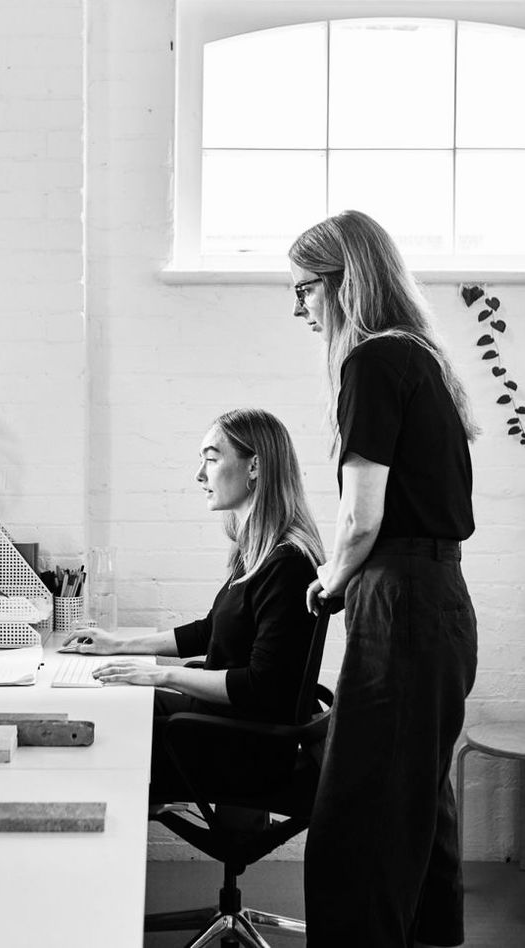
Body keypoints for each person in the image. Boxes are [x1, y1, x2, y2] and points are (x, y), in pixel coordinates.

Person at [288, 209, 478, 948]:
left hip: (398, 599)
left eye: (305, 289)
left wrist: (331, 577)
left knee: (359, 818)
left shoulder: (368, 361)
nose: (299, 307)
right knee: (417, 804)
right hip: (439, 599)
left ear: (343, 284)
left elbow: (360, 517)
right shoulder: (420, 357)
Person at [62, 407, 325, 801]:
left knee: (106, 733)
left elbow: (259, 686)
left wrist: (160, 675)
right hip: (217, 724)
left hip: (241, 749)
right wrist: (120, 645)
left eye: (211, 459)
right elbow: (211, 630)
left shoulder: (288, 563)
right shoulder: (256, 549)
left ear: (254, 466)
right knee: (112, 706)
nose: (199, 476)